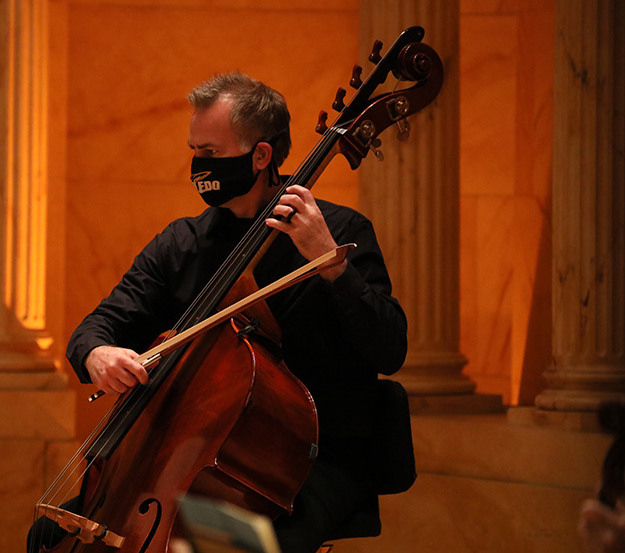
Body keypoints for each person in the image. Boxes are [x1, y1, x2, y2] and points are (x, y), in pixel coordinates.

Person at [29, 72, 407, 553]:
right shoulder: (182, 243)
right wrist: (98, 355)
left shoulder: (338, 230)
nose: (198, 163)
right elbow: (97, 327)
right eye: (195, 150)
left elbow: (390, 347)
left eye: (210, 152)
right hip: (198, 459)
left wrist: (330, 264)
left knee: (222, 548)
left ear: (261, 155)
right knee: (49, 537)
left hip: (313, 460)